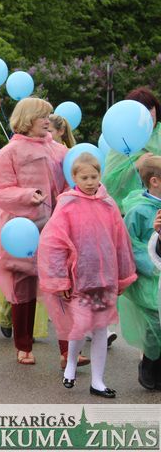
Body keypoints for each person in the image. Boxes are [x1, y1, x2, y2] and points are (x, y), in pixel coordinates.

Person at [38, 153, 136, 398]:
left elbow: (120, 242)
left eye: (94, 176)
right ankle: (71, 365)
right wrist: (61, 279)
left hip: (104, 279)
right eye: (85, 178)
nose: (90, 182)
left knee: (101, 327)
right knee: (80, 326)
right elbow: (54, 243)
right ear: (74, 177)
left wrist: (123, 275)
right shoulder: (67, 204)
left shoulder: (108, 204)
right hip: (80, 278)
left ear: (100, 175)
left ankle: (98, 381)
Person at [0, 97, 68, 365]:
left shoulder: (58, 149)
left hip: (55, 226)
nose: (47, 120)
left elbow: (71, 181)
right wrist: (26, 195)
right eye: (42, 116)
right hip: (22, 230)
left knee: (62, 286)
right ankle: (23, 346)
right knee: (24, 288)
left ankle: (69, 350)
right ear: (27, 119)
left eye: (48, 115)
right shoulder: (10, 151)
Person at [120, 156, 161, 389]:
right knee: (154, 321)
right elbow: (130, 245)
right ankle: (148, 365)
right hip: (149, 278)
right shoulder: (139, 211)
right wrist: (152, 265)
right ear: (154, 181)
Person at [104, 87, 161, 209]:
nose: (147, 114)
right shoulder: (121, 138)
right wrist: (136, 165)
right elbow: (109, 183)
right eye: (142, 109)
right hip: (127, 212)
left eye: (150, 108)